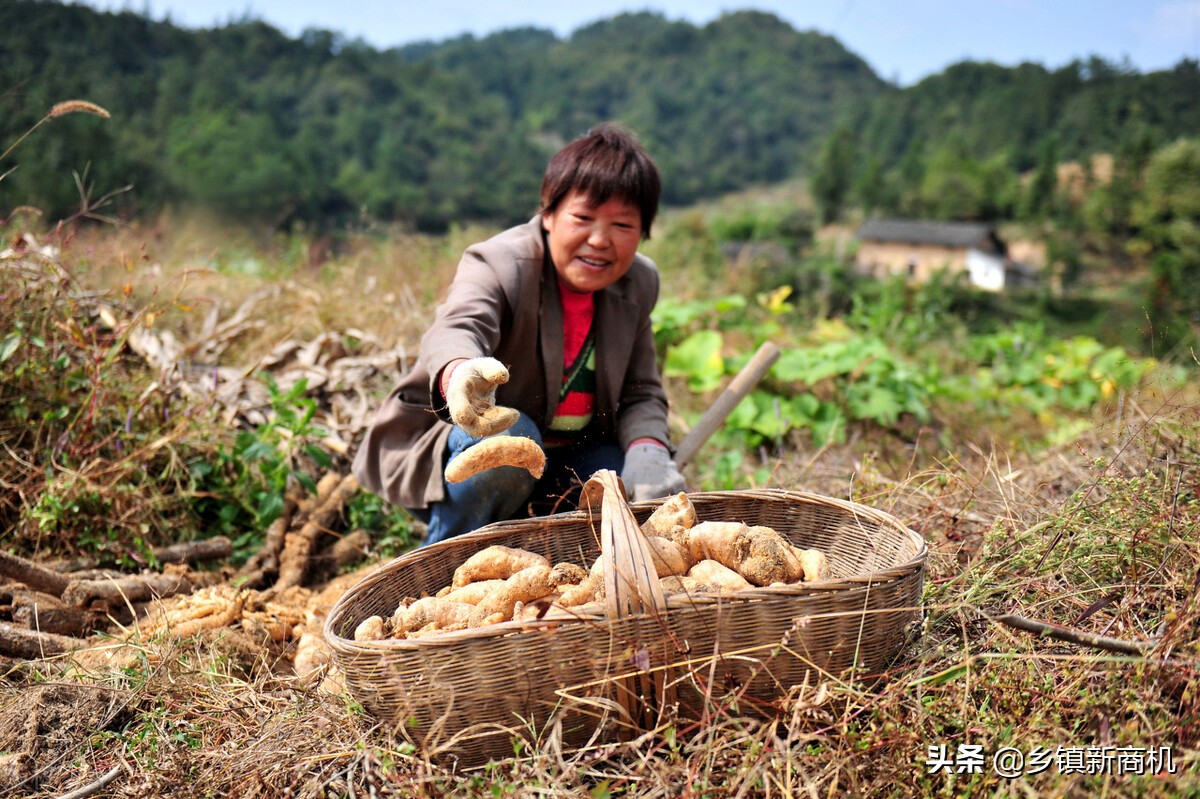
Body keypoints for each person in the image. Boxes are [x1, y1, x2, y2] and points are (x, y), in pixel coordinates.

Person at [352, 123, 687, 545]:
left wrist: (649, 450)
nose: (600, 240)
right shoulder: (501, 263)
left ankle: (556, 552)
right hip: (468, 451)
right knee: (511, 443)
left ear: (643, 231)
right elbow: (457, 326)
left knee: (621, 479)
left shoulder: (637, 282)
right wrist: (460, 372)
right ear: (548, 214)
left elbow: (641, 391)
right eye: (583, 218)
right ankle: (444, 555)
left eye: (622, 225)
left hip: (568, 458)